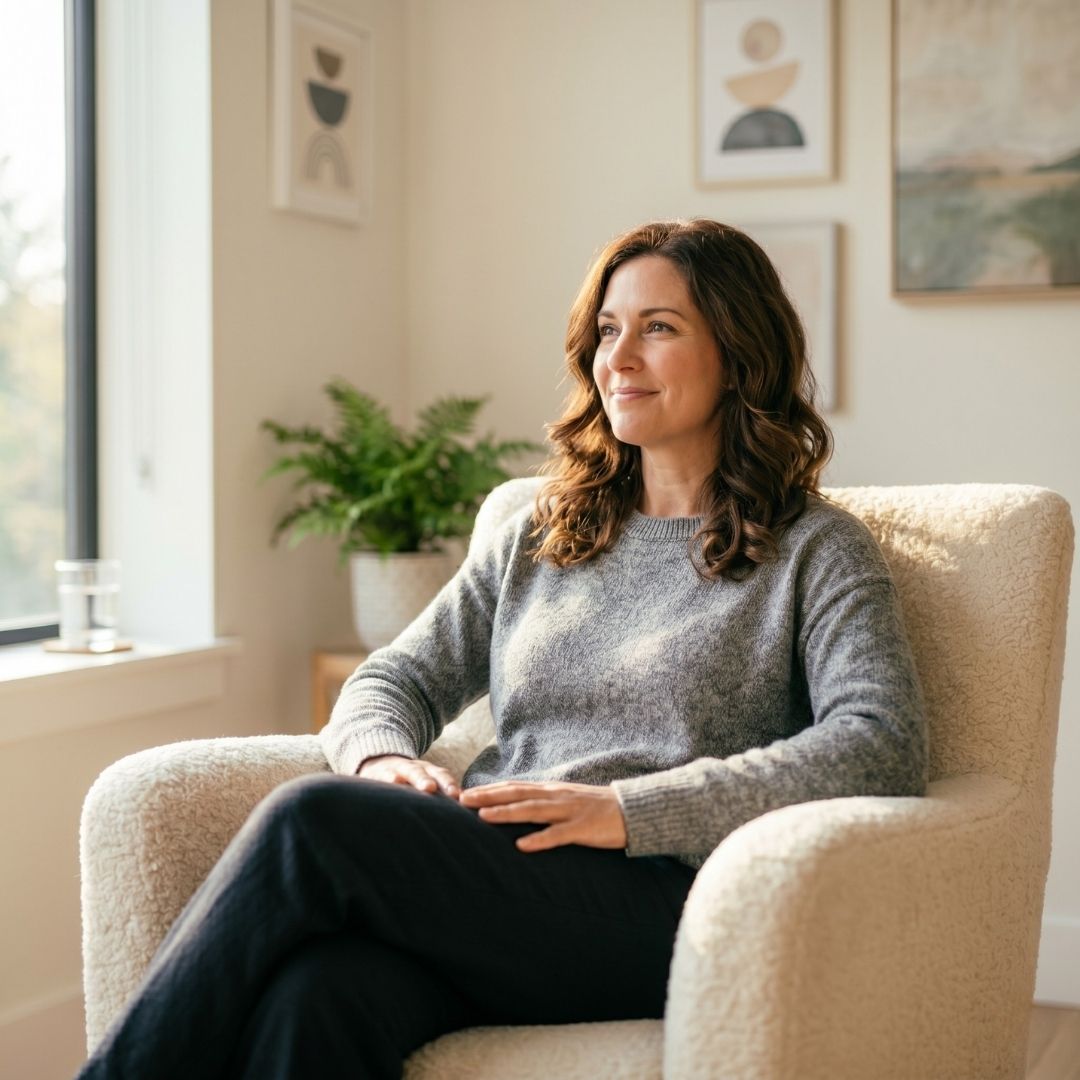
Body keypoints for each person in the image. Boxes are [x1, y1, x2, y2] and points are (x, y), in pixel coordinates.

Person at [75, 218, 928, 1079]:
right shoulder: (543, 533)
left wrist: (630, 810)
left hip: (669, 901)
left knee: (310, 821)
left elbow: (881, 742)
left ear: (740, 355)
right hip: (501, 880)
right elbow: (391, 679)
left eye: (658, 327)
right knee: (320, 993)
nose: (618, 358)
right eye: (607, 330)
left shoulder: (814, 548)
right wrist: (379, 760)